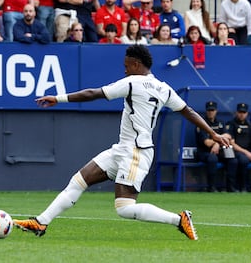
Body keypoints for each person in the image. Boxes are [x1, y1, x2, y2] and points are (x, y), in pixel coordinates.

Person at [13, 44, 230, 240]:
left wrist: (58, 98)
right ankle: (41, 222)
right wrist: (213, 133)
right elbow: (188, 111)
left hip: (136, 151)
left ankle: (179, 219)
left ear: (136, 64)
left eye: (127, 65)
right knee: (78, 181)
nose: (125, 69)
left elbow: (92, 93)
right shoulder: (163, 88)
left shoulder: (132, 82)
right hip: (123, 149)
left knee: (124, 208)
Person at [195, 101, 237, 192]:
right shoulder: (202, 123)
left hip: (220, 151)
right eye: (209, 110)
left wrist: (217, 143)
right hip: (205, 152)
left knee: (233, 160)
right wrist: (217, 141)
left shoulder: (220, 122)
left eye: (212, 110)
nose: (211, 112)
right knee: (212, 159)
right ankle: (212, 187)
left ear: (216, 111)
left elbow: (228, 136)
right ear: (206, 111)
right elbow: (207, 143)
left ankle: (230, 187)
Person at [226, 103, 251, 192]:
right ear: (237, 112)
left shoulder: (250, 125)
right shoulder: (231, 124)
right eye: (240, 112)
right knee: (243, 160)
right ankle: (243, 186)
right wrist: (246, 153)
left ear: (247, 113)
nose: (242, 114)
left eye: (244, 112)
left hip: (250, 151)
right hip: (237, 151)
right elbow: (231, 143)